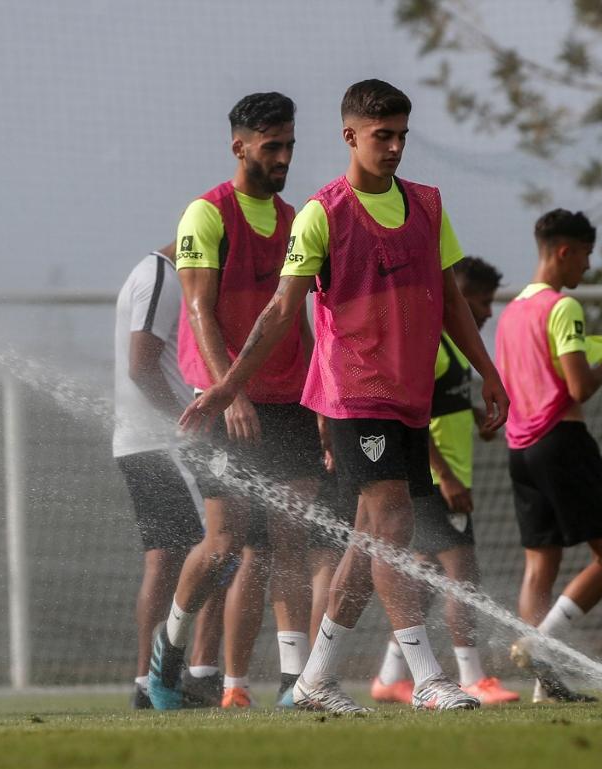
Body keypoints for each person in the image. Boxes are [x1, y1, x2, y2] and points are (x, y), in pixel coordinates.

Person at [181, 79, 510, 713]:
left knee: (367, 538)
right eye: (382, 136)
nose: (394, 148)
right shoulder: (322, 212)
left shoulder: (429, 206)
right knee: (392, 525)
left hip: (408, 396)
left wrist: (487, 372)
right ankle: (429, 677)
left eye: (402, 136)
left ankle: (315, 680)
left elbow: (451, 303)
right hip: (354, 396)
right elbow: (282, 311)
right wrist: (227, 387)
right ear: (350, 136)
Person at [149, 92, 322, 710]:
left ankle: (296, 683)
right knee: (225, 541)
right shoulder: (206, 214)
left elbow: (297, 318)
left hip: (292, 401)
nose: (282, 157)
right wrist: (231, 393)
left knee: (290, 538)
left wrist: (319, 399)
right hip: (224, 400)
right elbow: (198, 308)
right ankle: (167, 654)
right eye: (271, 145)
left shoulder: (299, 217)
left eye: (290, 146)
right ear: (239, 146)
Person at [496, 209, 602, 703]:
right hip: (562, 441)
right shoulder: (562, 307)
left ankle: (546, 688)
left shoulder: (510, 314)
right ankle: (539, 645)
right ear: (564, 252)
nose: (588, 268)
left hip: (521, 450)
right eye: (586, 256)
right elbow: (578, 386)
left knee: (539, 567)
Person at [369, 256, 518, 705]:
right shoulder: (431, 345)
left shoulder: (452, 345)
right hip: (437, 480)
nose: (489, 312)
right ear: (458, 295)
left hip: (442, 476)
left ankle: (389, 675)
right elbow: (411, 418)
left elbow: (438, 407)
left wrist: (473, 415)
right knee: (463, 575)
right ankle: (472, 676)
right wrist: (448, 476)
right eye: (482, 303)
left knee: (429, 576)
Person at [113, 243, 226, 709]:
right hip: (166, 443)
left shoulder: (153, 272)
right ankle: (194, 673)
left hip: (145, 441)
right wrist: (191, 423)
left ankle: (149, 682)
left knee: (167, 560)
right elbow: (141, 365)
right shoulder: (162, 274)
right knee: (223, 545)